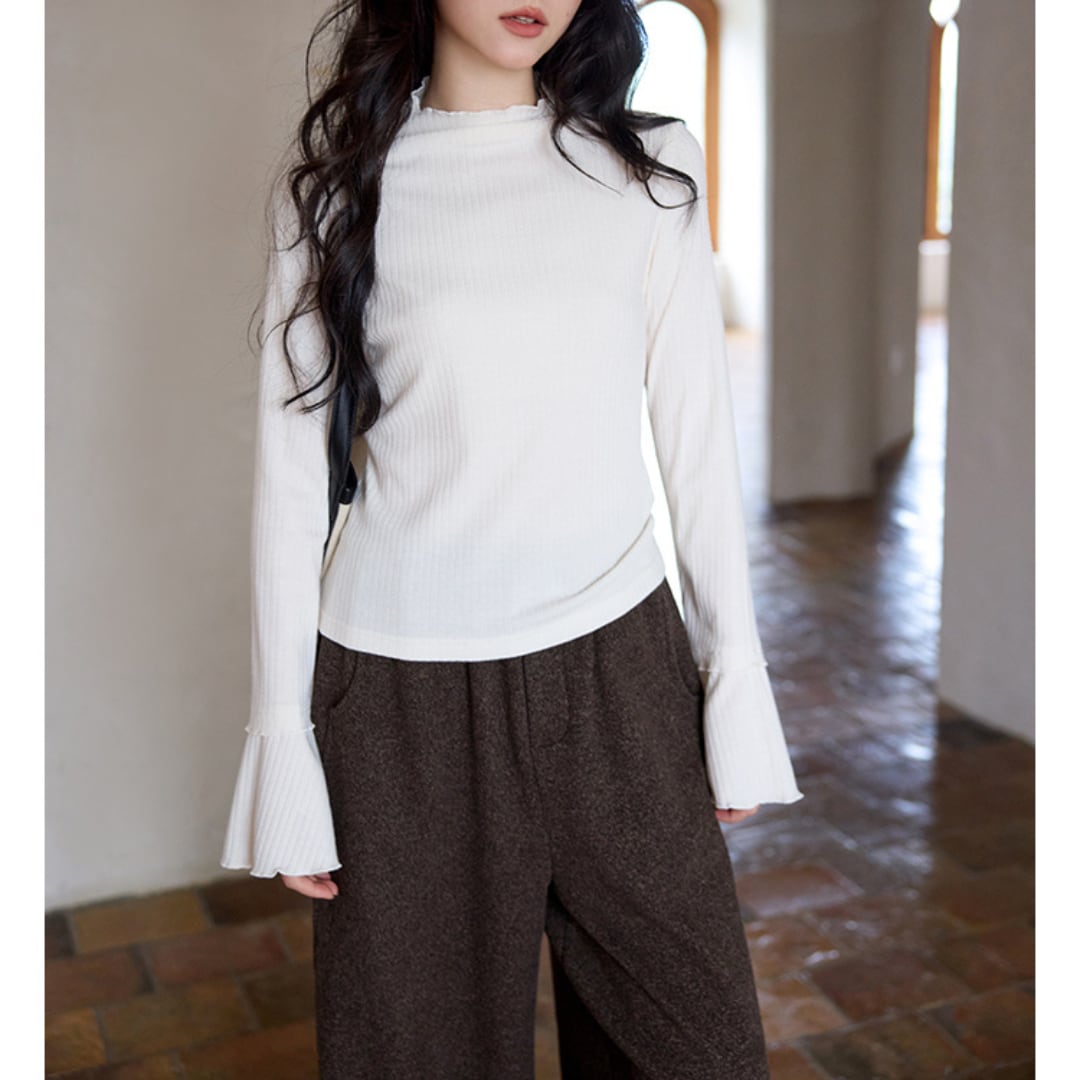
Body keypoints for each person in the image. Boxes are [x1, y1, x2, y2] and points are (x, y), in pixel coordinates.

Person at [220, 1, 804, 1076]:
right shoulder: (339, 188)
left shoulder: (649, 169)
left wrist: (733, 680)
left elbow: (697, 444)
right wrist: (282, 743)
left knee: (701, 1052)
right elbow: (291, 485)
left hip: (620, 676)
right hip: (399, 707)